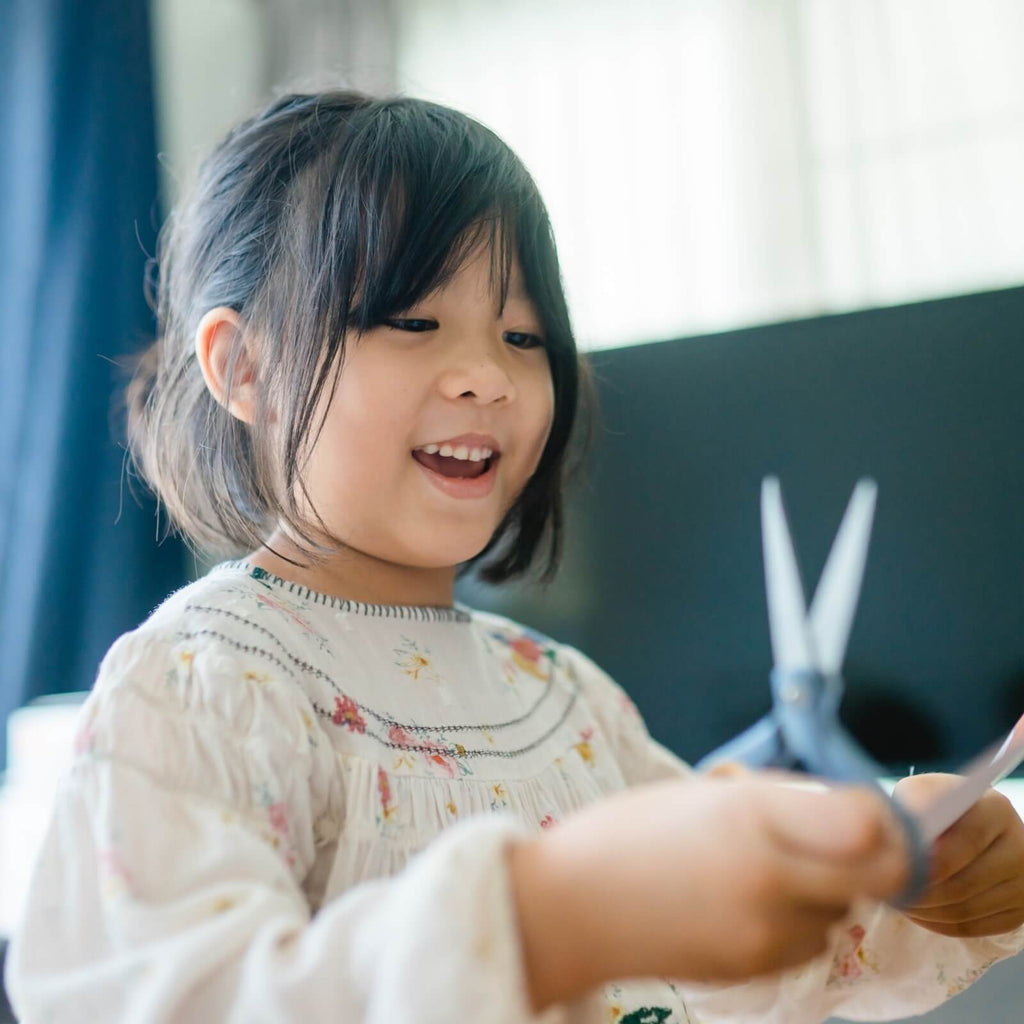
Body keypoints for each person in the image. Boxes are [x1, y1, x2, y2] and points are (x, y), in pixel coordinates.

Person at [5, 88, 1023, 1024]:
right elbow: (168, 998)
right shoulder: (204, 684)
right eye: (413, 320)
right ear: (245, 366)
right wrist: (538, 920)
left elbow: (720, 953)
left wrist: (906, 886)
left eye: (524, 337)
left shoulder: (563, 696)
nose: (486, 378)